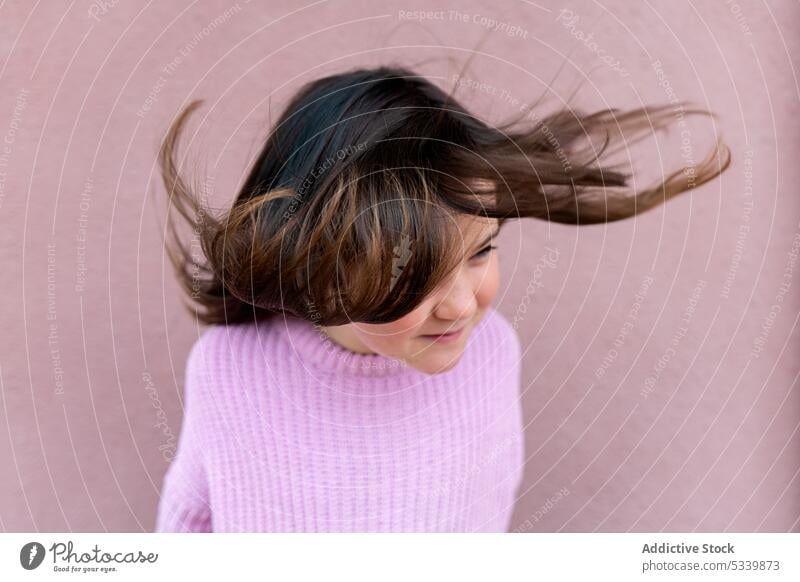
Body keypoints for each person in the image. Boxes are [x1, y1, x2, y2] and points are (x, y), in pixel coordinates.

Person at [154, 65, 730, 532]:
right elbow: (188, 522)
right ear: (317, 265)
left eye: (481, 251)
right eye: (415, 274)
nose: (459, 306)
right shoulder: (229, 370)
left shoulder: (493, 355)